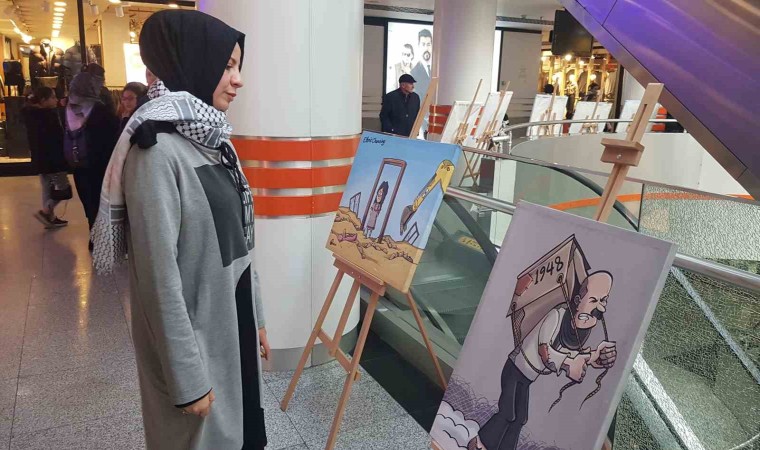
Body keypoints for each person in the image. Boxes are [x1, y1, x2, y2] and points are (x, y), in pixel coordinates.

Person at [91, 10, 270, 450]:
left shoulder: (216, 141)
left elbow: (242, 243)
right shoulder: (156, 151)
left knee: (243, 435)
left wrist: (257, 318)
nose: (238, 79)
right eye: (227, 65)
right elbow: (157, 279)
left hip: (232, 323)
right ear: (194, 62)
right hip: (196, 342)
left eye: (238, 65)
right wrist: (187, 378)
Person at [471, 271, 617, 450]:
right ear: (578, 300)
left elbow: (570, 354)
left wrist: (594, 356)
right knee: (508, 413)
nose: (600, 308)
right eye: (594, 300)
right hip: (515, 369)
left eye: (604, 301)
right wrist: (568, 364)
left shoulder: (578, 329)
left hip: (527, 378)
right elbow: (545, 352)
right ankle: (480, 444)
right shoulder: (558, 315)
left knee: (520, 419)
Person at [65, 70, 120, 239]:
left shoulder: (68, 108)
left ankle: (93, 234)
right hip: (100, 163)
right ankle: (102, 237)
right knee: (101, 200)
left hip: (79, 162)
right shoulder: (99, 109)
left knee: (88, 201)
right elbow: (113, 134)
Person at [23, 87, 69, 228]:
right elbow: (57, 137)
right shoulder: (48, 116)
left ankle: (50, 218)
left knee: (47, 188)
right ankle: (46, 212)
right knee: (64, 189)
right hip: (53, 159)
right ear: (43, 100)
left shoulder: (31, 115)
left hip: (40, 158)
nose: (56, 100)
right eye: (53, 97)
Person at [410, 28, 433, 100]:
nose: (426, 48)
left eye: (428, 44)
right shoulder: (414, 73)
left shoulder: (438, 69)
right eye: (423, 44)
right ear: (419, 46)